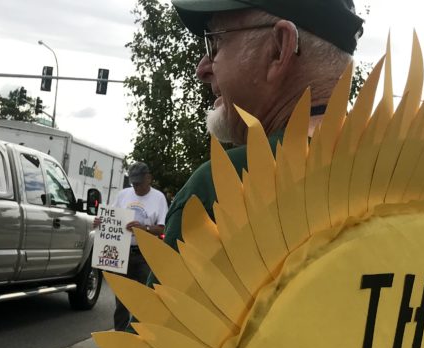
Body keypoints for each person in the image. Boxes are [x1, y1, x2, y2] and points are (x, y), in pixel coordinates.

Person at [164, 0, 363, 249]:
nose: (202, 69)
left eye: (214, 42)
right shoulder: (404, 171)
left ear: (279, 49)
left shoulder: (221, 191)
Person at [113, 161, 168, 331]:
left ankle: (141, 334)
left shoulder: (158, 198)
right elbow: (113, 218)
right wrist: (102, 222)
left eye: (138, 182)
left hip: (145, 254)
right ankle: (120, 335)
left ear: (149, 178)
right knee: (121, 297)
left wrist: (143, 228)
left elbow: (163, 227)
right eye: (133, 182)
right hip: (123, 252)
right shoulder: (123, 195)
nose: (135, 186)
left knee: (146, 296)